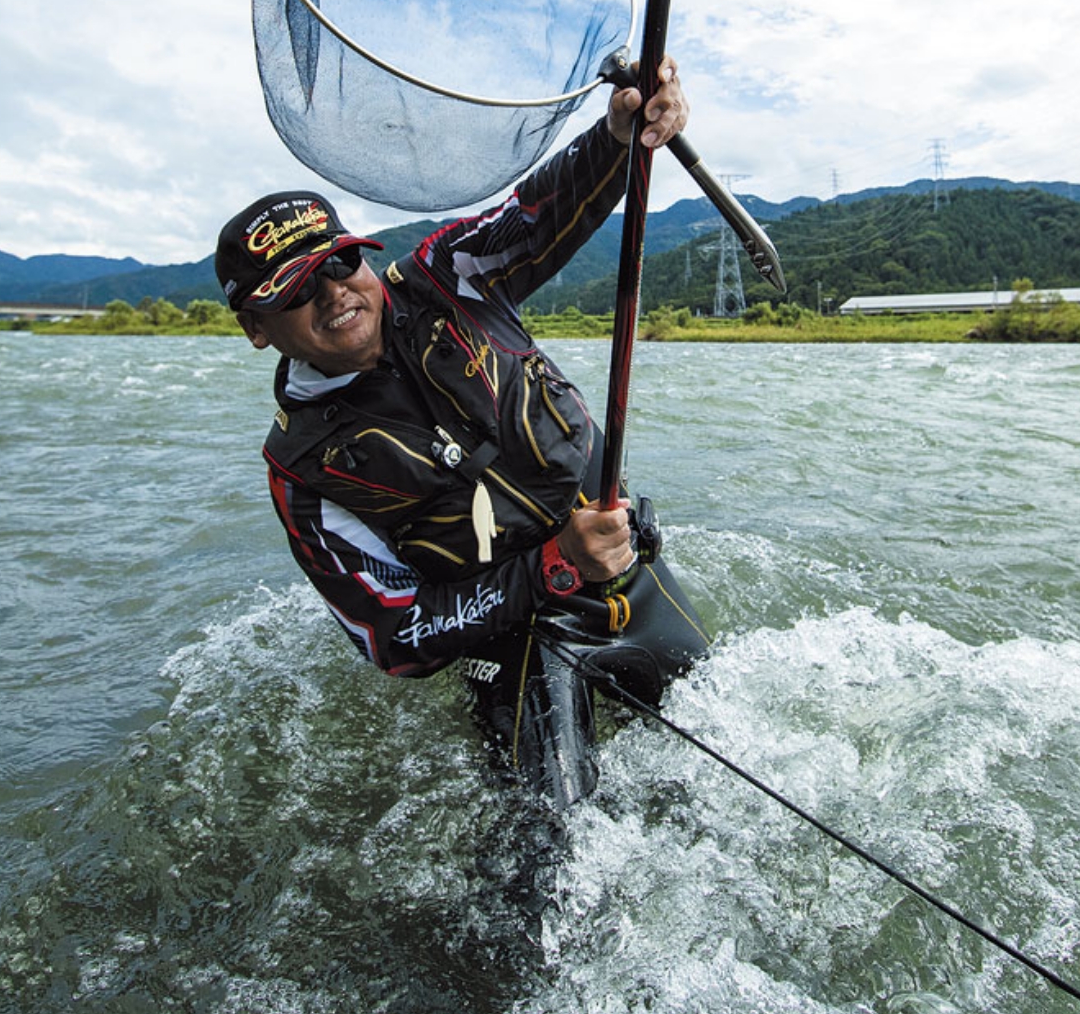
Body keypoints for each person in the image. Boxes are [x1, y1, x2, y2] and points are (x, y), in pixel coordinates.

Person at [216, 59, 710, 808]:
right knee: (552, 851)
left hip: (629, 576)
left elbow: (542, 206)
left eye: (342, 263)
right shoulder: (301, 472)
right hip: (510, 644)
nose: (336, 294)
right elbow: (394, 636)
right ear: (257, 329)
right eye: (296, 291)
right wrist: (551, 568)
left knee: (724, 749)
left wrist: (620, 131)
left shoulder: (452, 272)